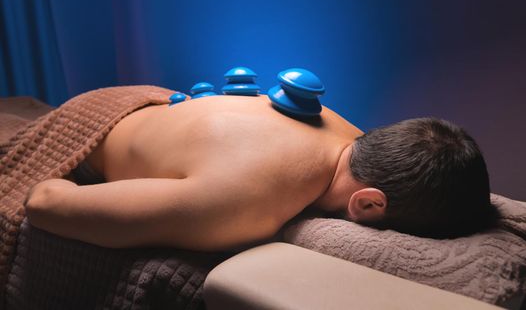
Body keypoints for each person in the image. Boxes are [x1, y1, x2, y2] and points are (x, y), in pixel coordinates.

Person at [25, 94, 497, 251]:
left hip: (154, 100)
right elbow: (44, 202)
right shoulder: (240, 207)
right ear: (368, 203)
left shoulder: (345, 127)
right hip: (89, 119)